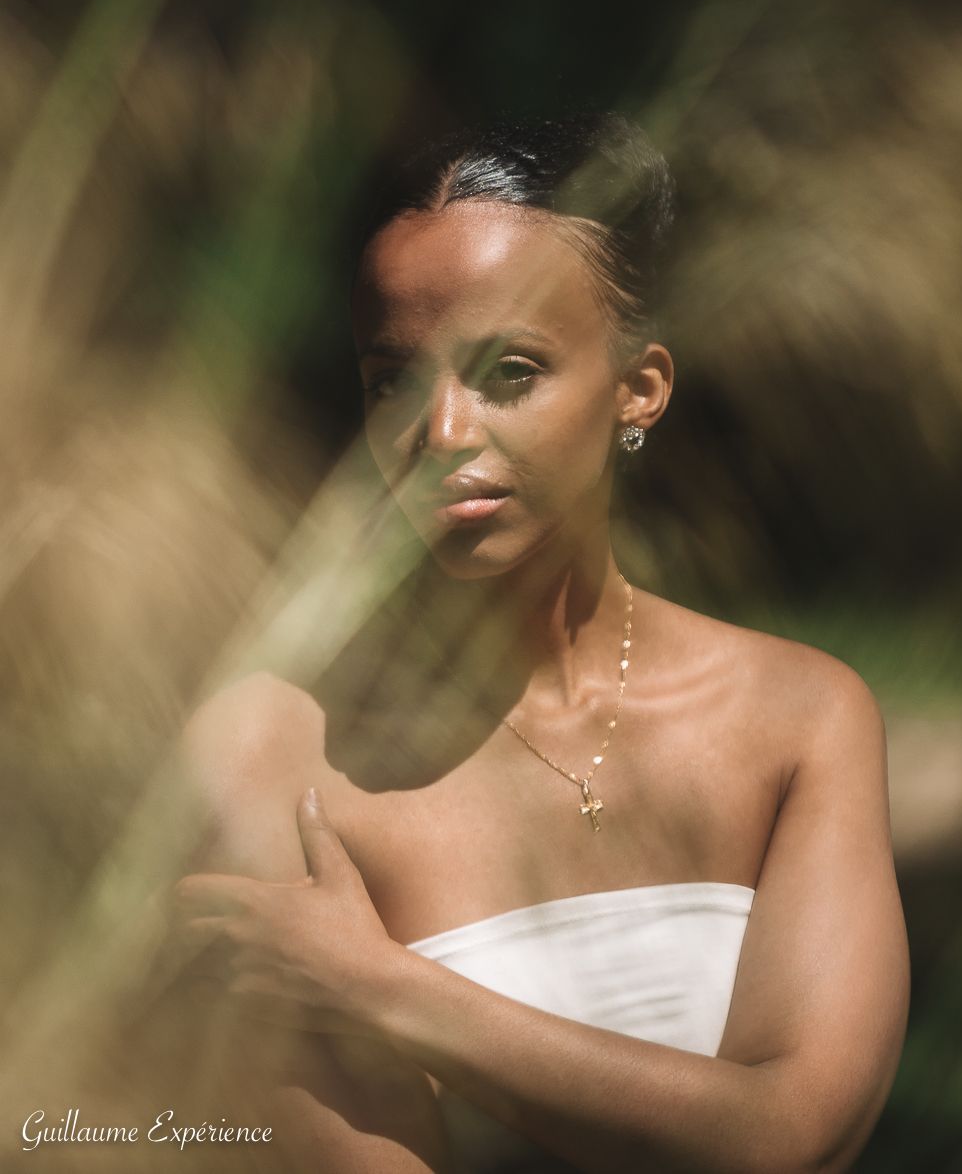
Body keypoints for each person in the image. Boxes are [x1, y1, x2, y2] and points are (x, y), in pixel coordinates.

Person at [172, 113, 910, 1173]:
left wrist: (377, 986)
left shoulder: (799, 720)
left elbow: (788, 1138)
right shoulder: (274, 752)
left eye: (509, 372)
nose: (442, 435)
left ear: (638, 389)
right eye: (393, 383)